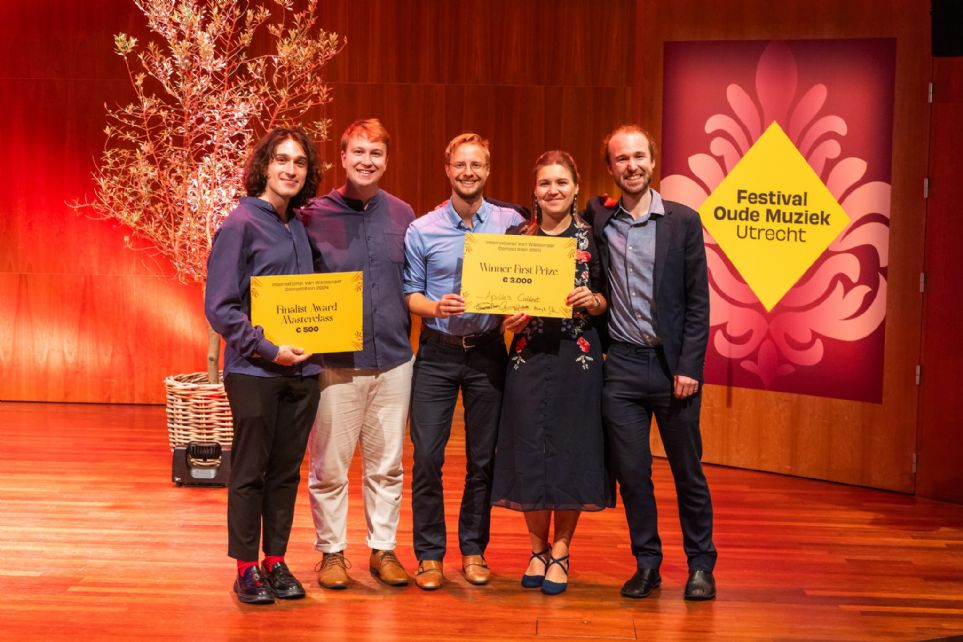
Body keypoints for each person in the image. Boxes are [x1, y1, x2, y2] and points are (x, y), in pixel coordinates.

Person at [587, 124, 717, 600]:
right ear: (610, 169)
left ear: (653, 160)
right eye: (621, 159)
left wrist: (689, 366)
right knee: (633, 474)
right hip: (620, 367)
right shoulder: (600, 219)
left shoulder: (683, 221)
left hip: (671, 370)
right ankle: (648, 564)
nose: (632, 165)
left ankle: (701, 565)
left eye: (639, 156)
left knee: (688, 471)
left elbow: (698, 304)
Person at [205, 127, 323, 605]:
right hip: (255, 372)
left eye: (299, 162)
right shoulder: (239, 224)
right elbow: (220, 307)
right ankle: (245, 568)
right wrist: (269, 349)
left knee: (286, 472)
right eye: (282, 160)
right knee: (251, 470)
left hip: (303, 374)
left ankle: (275, 560)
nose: (290, 169)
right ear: (264, 166)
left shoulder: (298, 224)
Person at [403, 133, 526, 590]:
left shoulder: (512, 223)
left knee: (482, 460)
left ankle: (473, 550)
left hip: (489, 353)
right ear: (447, 169)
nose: (468, 173)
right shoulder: (422, 229)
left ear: (487, 170)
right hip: (436, 355)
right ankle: (429, 555)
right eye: (461, 165)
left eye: (476, 165)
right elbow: (409, 293)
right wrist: (434, 308)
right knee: (427, 460)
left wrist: (523, 309)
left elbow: (529, 279)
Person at [299, 119, 415, 589]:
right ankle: (331, 553)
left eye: (377, 154)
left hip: (394, 360)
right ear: (343, 157)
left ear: (386, 160)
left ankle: (383, 549)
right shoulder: (311, 216)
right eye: (359, 152)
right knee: (328, 466)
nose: (367, 161)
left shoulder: (405, 216)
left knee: (387, 465)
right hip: (334, 364)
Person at [491, 151, 612, 596]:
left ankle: (562, 549)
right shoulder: (515, 236)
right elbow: (501, 297)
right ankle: (536, 549)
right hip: (526, 358)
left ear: (576, 187)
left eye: (562, 182)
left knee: (570, 450)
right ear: (534, 189)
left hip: (577, 358)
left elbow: (606, 300)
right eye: (545, 183)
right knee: (529, 449)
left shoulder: (593, 236)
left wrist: (593, 301)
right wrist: (509, 315)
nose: (553, 190)